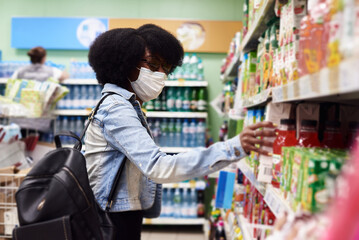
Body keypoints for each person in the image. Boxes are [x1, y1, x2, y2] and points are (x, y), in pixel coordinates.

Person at [85, 24, 276, 240]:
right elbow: (158, 166)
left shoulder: (126, 105)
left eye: (166, 68)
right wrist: (233, 147)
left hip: (117, 211)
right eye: (154, 65)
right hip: (109, 217)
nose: (161, 75)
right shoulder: (117, 108)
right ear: (125, 62)